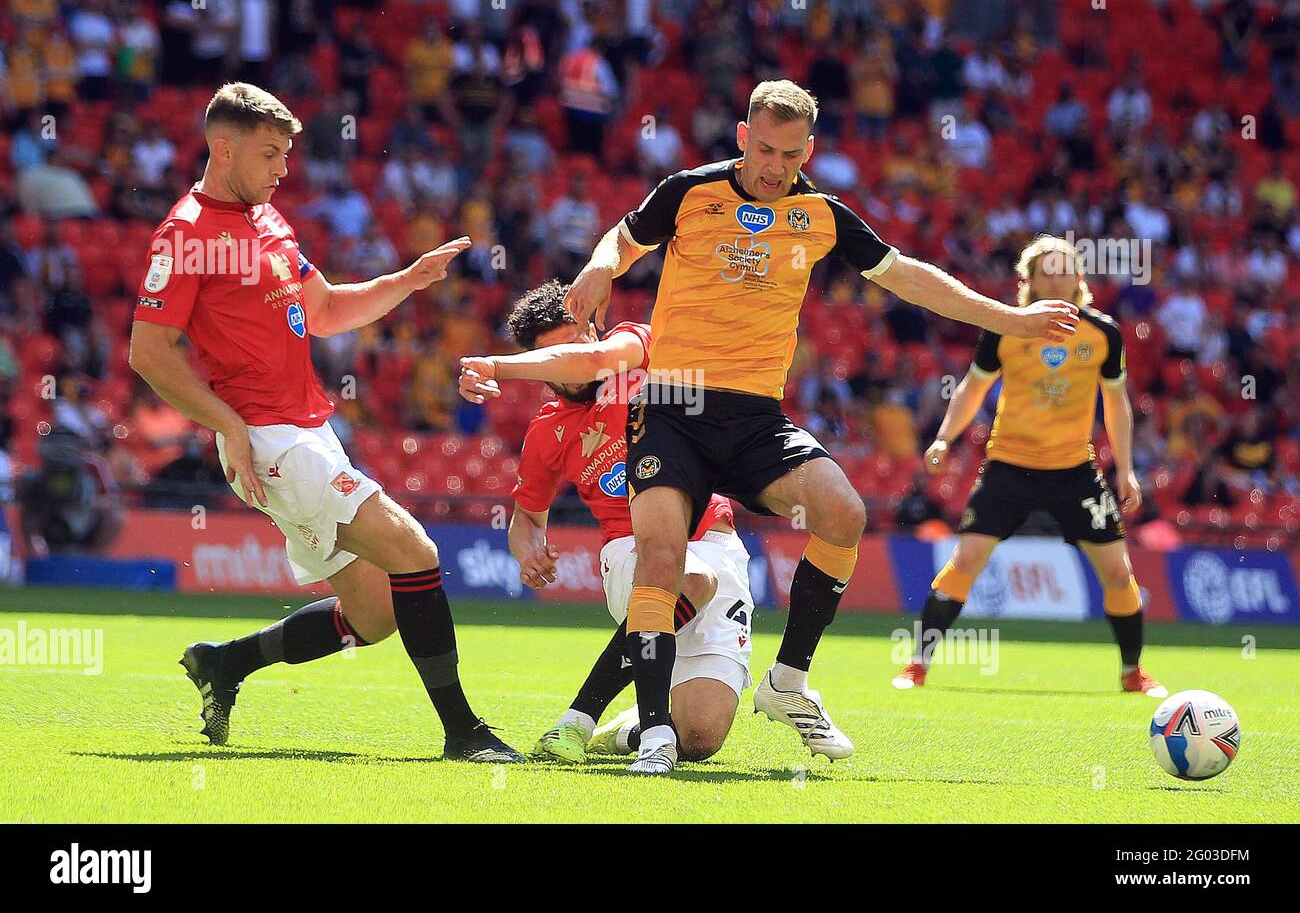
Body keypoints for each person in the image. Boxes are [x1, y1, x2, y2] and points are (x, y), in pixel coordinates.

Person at [563, 79, 1079, 773]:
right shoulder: (687, 192)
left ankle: (787, 682)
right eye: (764, 149)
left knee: (843, 512)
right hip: (672, 407)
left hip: (753, 417)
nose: (774, 166)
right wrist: (599, 269)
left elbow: (912, 279)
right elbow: (620, 244)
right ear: (744, 137)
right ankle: (653, 733)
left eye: (790, 154)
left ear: (810, 150)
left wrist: (1010, 319)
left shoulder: (822, 215)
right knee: (661, 555)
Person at [127, 82, 521, 762]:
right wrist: (231, 427)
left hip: (308, 429)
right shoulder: (186, 234)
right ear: (223, 149)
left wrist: (408, 280)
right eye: (271, 154)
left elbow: (328, 309)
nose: (284, 168)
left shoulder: (268, 221)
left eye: (286, 155)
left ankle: (226, 664)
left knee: (376, 616)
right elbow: (147, 352)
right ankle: (464, 733)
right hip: (270, 439)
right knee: (417, 552)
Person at [458, 281, 755, 769]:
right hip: (630, 548)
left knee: (701, 738)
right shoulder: (546, 433)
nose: (565, 366)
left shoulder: (634, 348)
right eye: (548, 358)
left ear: (592, 331)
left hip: (715, 536)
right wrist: (527, 549)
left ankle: (627, 729)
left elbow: (598, 359)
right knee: (693, 578)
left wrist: (494, 366)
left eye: (574, 345)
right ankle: (579, 717)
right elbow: (527, 518)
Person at [892, 236, 1166, 698]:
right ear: (1031, 282)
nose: (1058, 278)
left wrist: (1125, 469)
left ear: (1079, 278)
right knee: (966, 562)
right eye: (1048, 271)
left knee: (1118, 573)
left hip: (1075, 471)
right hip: (1008, 468)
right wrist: (944, 437)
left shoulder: (1103, 332)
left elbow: (1117, 405)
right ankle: (917, 664)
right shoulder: (1005, 328)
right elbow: (972, 389)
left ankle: (1132, 672)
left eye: (1066, 270)